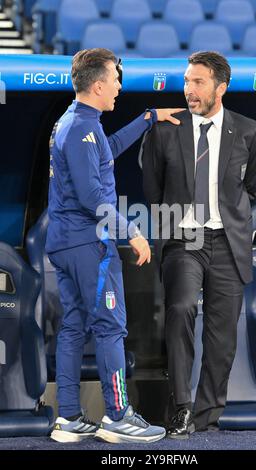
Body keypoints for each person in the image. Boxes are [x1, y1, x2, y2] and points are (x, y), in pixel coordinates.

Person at [46, 47, 183, 444]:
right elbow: (92, 196)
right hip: (90, 244)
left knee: (73, 326)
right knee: (110, 327)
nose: (120, 87)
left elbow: (106, 152)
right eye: (116, 80)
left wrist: (147, 118)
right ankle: (118, 415)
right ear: (99, 84)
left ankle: (69, 418)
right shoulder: (80, 128)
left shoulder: (78, 124)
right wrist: (133, 232)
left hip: (67, 243)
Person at [142, 51, 256, 438]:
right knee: (180, 309)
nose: (189, 90)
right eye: (186, 81)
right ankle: (180, 408)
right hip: (185, 238)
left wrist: (228, 217)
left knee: (222, 334)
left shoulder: (249, 131)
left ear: (221, 87)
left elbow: (252, 188)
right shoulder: (164, 130)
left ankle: (207, 415)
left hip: (228, 241)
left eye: (198, 82)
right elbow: (153, 190)